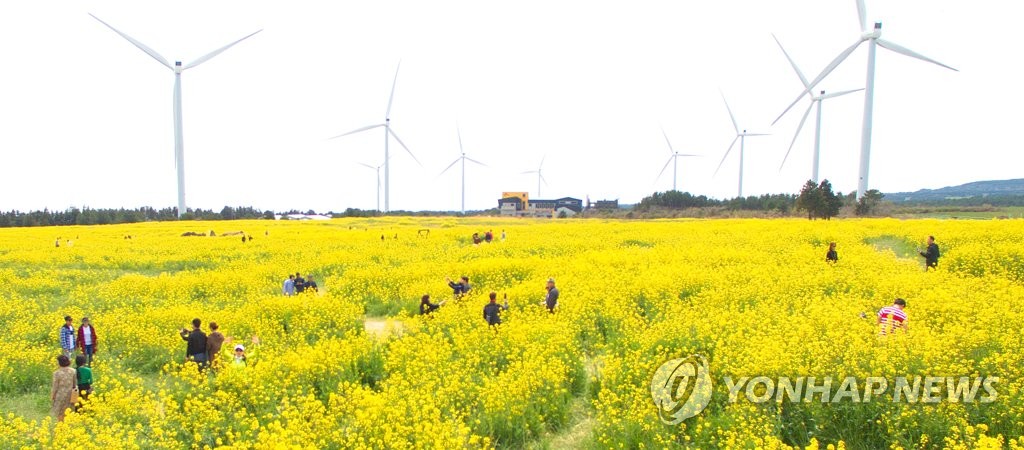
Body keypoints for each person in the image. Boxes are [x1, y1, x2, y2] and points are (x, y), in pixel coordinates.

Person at [50, 355, 77, 422]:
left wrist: (52, 396)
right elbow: (75, 384)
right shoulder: (73, 371)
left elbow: (55, 386)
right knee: (69, 411)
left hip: (60, 395)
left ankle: (61, 427)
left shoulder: (56, 373)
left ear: (59, 362)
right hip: (70, 394)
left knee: (60, 413)